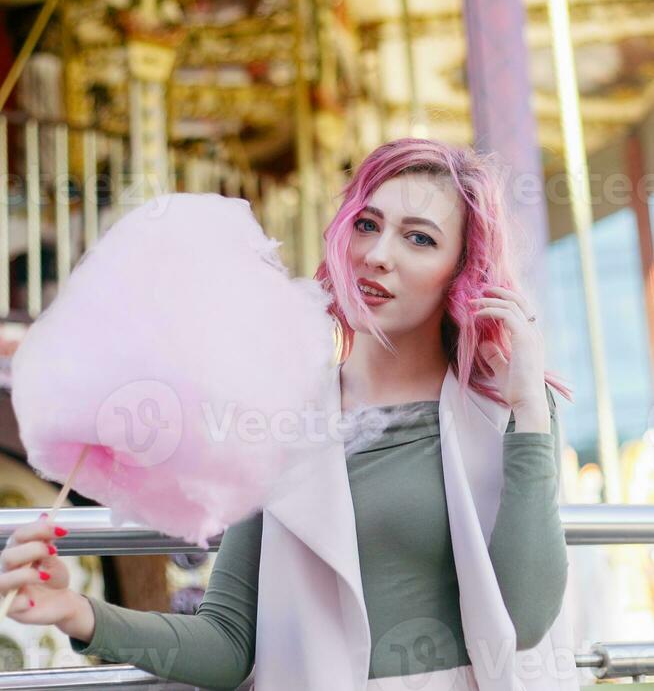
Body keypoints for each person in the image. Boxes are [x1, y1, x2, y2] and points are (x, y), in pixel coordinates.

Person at [0, 138, 575, 691]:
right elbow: (229, 646)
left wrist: (528, 409)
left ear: (462, 268)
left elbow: (521, 621)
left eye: (419, 239)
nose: (377, 256)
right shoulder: (279, 416)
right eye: (367, 225)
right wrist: (78, 614)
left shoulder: (504, 410)